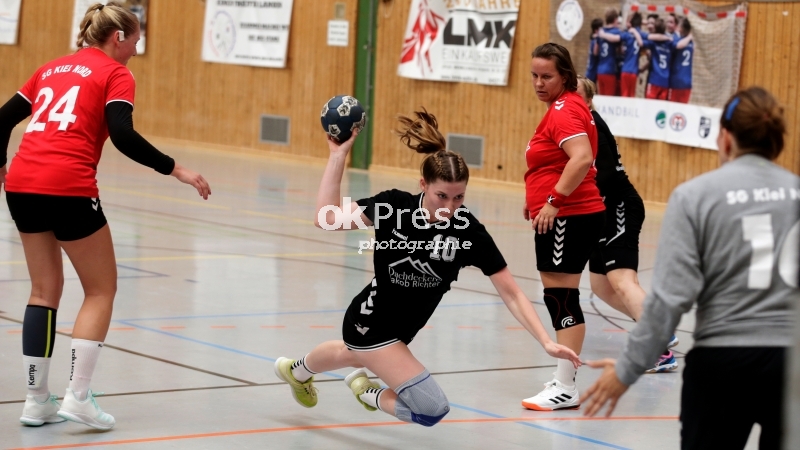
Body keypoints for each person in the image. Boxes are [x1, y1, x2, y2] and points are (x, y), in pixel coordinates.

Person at [273, 110, 580, 427]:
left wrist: (545, 341)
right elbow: (327, 218)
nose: (450, 207)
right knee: (430, 409)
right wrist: (338, 154)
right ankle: (366, 391)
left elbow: (513, 293)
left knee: (348, 353)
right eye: (441, 196)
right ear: (423, 184)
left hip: (400, 332)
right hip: (370, 322)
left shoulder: (467, 231)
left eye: (459, 197)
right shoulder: (393, 206)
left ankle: (295, 371)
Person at [0, 2, 210, 430]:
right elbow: (123, 134)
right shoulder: (116, 73)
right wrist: (178, 169)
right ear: (118, 37)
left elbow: (2, 119)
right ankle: (78, 396)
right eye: (136, 38)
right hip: (68, 185)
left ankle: (36, 399)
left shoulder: (50, 68)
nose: (137, 46)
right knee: (100, 290)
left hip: (21, 183)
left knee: (43, 291)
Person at [582, 86, 799, 450]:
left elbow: (669, 300)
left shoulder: (697, 196)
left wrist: (627, 369)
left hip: (724, 361)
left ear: (726, 138)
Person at [520, 43, 605, 411]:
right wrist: (536, 197)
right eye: (535, 76)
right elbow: (555, 160)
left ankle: (565, 385)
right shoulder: (567, 107)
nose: (539, 83)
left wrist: (553, 202)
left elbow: (582, 158)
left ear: (565, 76)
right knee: (559, 295)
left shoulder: (563, 109)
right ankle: (563, 378)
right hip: (567, 214)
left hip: (571, 215)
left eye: (547, 76)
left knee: (562, 296)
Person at [576, 75, 679, 373]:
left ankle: (657, 350)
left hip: (618, 205)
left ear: (589, 100)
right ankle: (658, 326)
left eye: (575, 92)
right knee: (602, 286)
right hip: (599, 211)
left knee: (622, 281)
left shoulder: (591, 123)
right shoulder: (574, 124)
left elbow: (604, 176)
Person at [597, 12, 648, 98]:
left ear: (631, 23)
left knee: (623, 96)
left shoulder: (626, 34)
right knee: (630, 97)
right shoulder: (641, 35)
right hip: (632, 71)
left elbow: (614, 38)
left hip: (624, 70)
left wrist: (602, 34)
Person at [594, 8, 621, 96]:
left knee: (602, 98)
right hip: (610, 70)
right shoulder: (616, 32)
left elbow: (595, 52)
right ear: (615, 19)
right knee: (609, 99)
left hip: (600, 70)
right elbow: (621, 50)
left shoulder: (601, 32)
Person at [668, 18, 694, 103]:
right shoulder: (691, 42)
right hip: (686, 81)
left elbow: (678, 45)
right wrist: (690, 36)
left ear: (681, 28)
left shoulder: (676, 39)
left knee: (673, 109)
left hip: (677, 81)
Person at [584, 18, 603, 84]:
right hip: (592, 71)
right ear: (596, 30)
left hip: (591, 70)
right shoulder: (595, 41)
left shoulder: (593, 39)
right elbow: (595, 53)